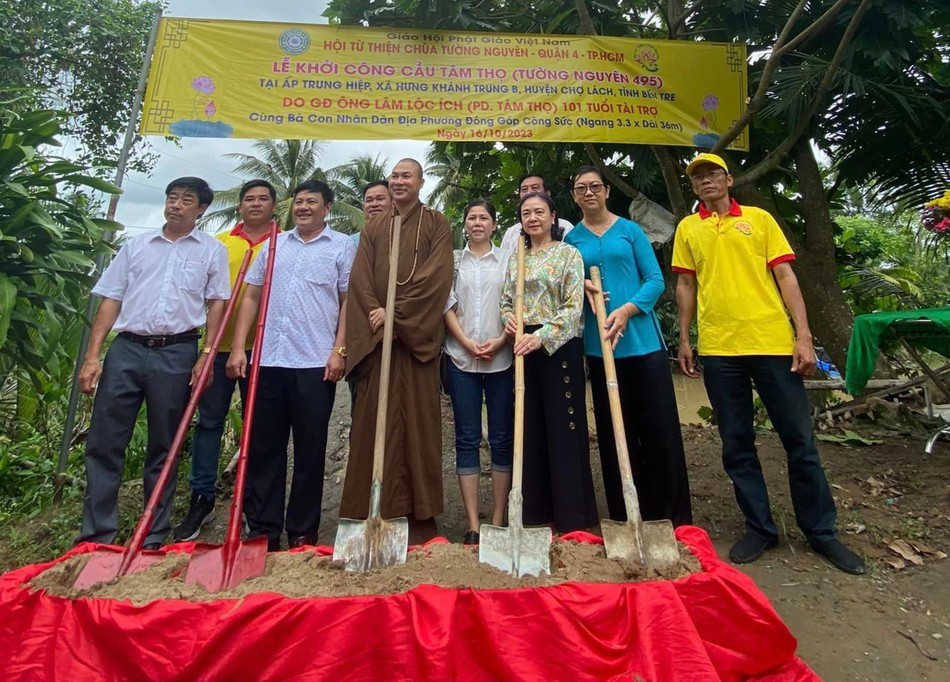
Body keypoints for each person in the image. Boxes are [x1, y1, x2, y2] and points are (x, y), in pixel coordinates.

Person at [673, 152, 865, 575]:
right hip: (721, 348)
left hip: (773, 343)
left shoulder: (759, 220)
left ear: (728, 178)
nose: (706, 181)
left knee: (799, 440)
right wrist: (685, 339)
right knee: (736, 442)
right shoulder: (689, 227)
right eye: (698, 177)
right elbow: (686, 284)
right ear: (694, 186)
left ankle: (821, 532)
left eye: (713, 174)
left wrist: (804, 336)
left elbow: (786, 277)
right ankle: (760, 527)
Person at [76, 177, 230, 548]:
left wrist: (207, 355)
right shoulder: (136, 246)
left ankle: (152, 537)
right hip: (126, 350)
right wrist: (93, 356)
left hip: (178, 353)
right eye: (172, 197)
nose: (176, 204)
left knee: (166, 444)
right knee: (105, 441)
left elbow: (217, 304)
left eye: (186, 200)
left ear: (201, 209)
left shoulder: (211, 251)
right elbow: (111, 298)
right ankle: (96, 536)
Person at [225, 180, 354, 551]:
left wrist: (339, 350)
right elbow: (250, 296)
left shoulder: (342, 247)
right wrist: (239, 349)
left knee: (310, 448)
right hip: (266, 361)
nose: (303, 208)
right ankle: (264, 529)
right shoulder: (273, 246)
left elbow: (347, 301)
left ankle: (302, 529)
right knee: (264, 448)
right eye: (298, 202)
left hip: (314, 363)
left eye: (312, 202)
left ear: (327, 208)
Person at [565, 166, 693, 527]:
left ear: (607, 191)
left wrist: (626, 309)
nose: (588, 193)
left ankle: (672, 516)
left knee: (659, 430)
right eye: (580, 188)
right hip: (600, 346)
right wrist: (582, 288)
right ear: (575, 197)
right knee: (613, 431)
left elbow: (655, 281)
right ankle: (624, 514)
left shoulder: (630, 231)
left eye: (594, 186)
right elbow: (569, 286)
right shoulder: (572, 242)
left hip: (643, 344)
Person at [340, 158, 454, 545]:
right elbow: (359, 280)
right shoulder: (374, 226)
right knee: (372, 427)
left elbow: (438, 276)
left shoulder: (436, 223)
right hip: (379, 344)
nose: (399, 181)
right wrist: (375, 312)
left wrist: (397, 314)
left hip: (413, 344)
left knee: (418, 428)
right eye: (395, 176)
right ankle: (369, 512)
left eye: (406, 175)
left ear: (421, 182)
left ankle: (420, 519)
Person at [173, 179, 277, 542]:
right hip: (216, 349)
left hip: (264, 351)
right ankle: (201, 499)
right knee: (209, 423)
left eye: (263, 199)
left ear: (274, 206)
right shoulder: (219, 244)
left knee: (258, 428)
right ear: (240, 206)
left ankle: (252, 504)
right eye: (249, 198)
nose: (255, 204)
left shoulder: (284, 244)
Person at [499, 192, 598, 533]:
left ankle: (572, 517)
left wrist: (541, 336)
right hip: (523, 349)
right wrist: (510, 320)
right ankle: (534, 515)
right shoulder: (517, 258)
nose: (533, 218)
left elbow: (573, 309)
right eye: (526, 213)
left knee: (563, 429)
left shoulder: (569, 254)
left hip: (558, 348)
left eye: (539, 212)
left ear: (553, 216)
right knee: (529, 429)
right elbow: (507, 300)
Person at [443, 200, 513, 545]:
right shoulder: (453, 261)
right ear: (465, 224)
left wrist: (500, 341)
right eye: (471, 217)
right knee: (467, 438)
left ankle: (498, 518)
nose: (477, 222)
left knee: (501, 438)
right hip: (460, 359)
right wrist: (467, 343)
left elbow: (517, 305)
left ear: (495, 224)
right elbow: (446, 305)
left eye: (484, 217)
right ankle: (473, 524)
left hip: (502, 360)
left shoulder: (510, 261)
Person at [498, 173, 575, 252]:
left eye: (534, 188)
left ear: (548, 193)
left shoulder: (566, 227)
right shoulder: (511, 233)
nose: (529, 192)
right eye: (524, 189)